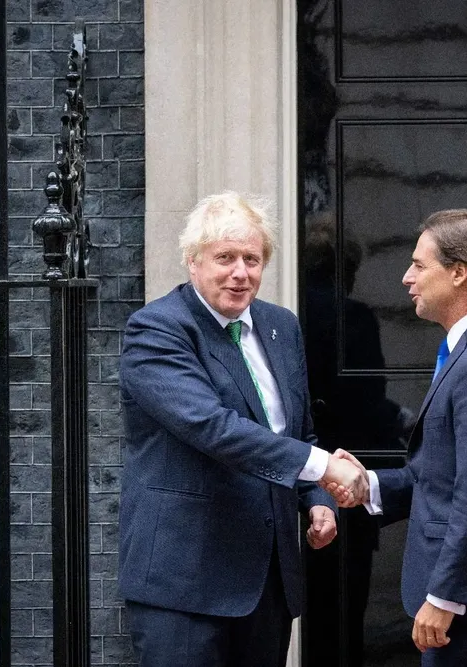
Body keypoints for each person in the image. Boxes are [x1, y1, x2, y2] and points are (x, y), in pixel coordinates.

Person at [118, 192, 367, 667]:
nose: (240, 272)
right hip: (184, 583)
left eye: (252, 259)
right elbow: (213, 428)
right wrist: (323, 467)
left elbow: (296, 430)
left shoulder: (280, 326)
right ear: (193, 262)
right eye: (225, 258)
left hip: (266, 580)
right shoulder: (157, 330)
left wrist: (317, 499)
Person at [329, 208, 467, 666]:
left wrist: (446, 596)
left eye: (419, 265)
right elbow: (441, 474)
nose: (407, 278)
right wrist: (369, 485)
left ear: (458, 274)